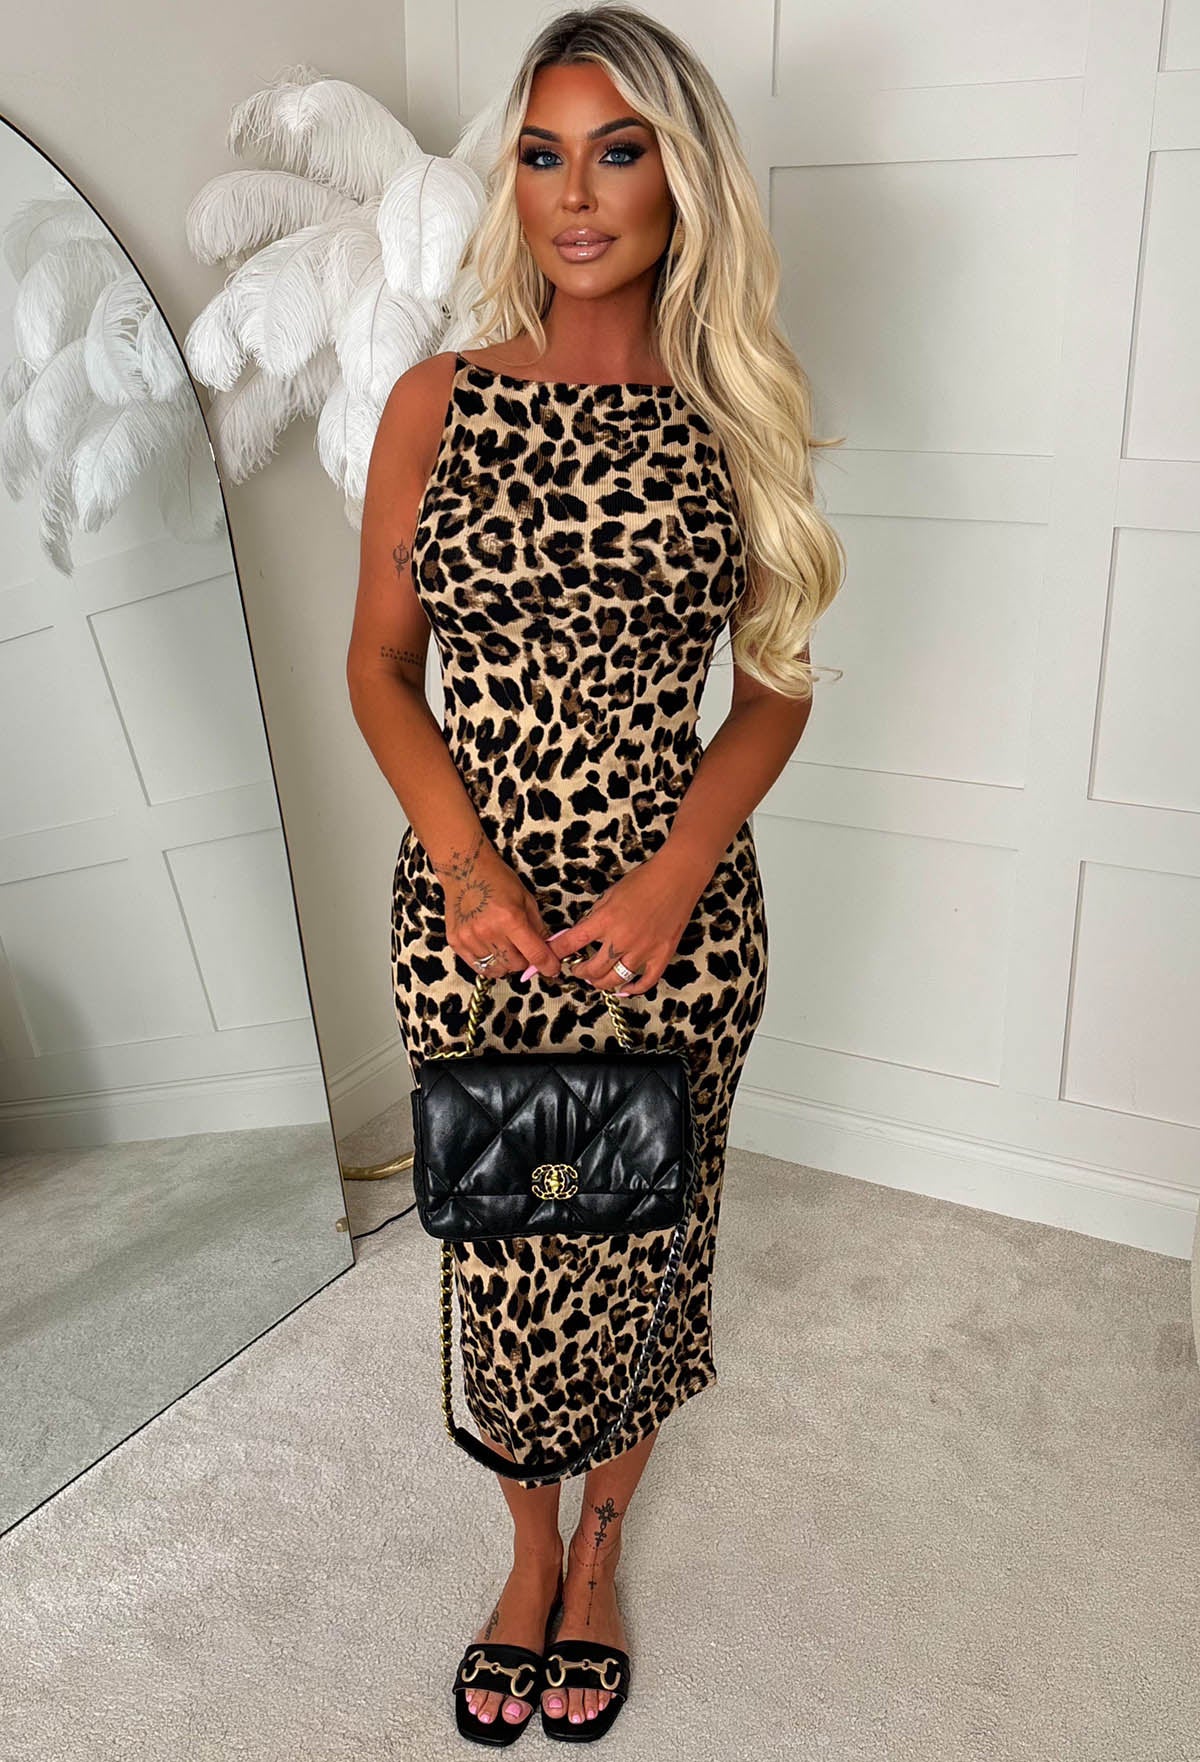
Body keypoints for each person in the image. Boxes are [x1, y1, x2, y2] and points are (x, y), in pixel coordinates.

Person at [346, 3, 844, 1743]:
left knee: (643, 1248)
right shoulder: (436, 403)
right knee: (504, 1254)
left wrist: (673, 876)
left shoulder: (735, 415)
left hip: (671, 929)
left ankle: (603, 1552)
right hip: (472, 925)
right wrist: (468, 865)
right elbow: (378, 669)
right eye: (543, 155)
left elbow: (775, 686)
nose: (575, 195)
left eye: (617, 152)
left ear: (679, 179)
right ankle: (525, 1547)